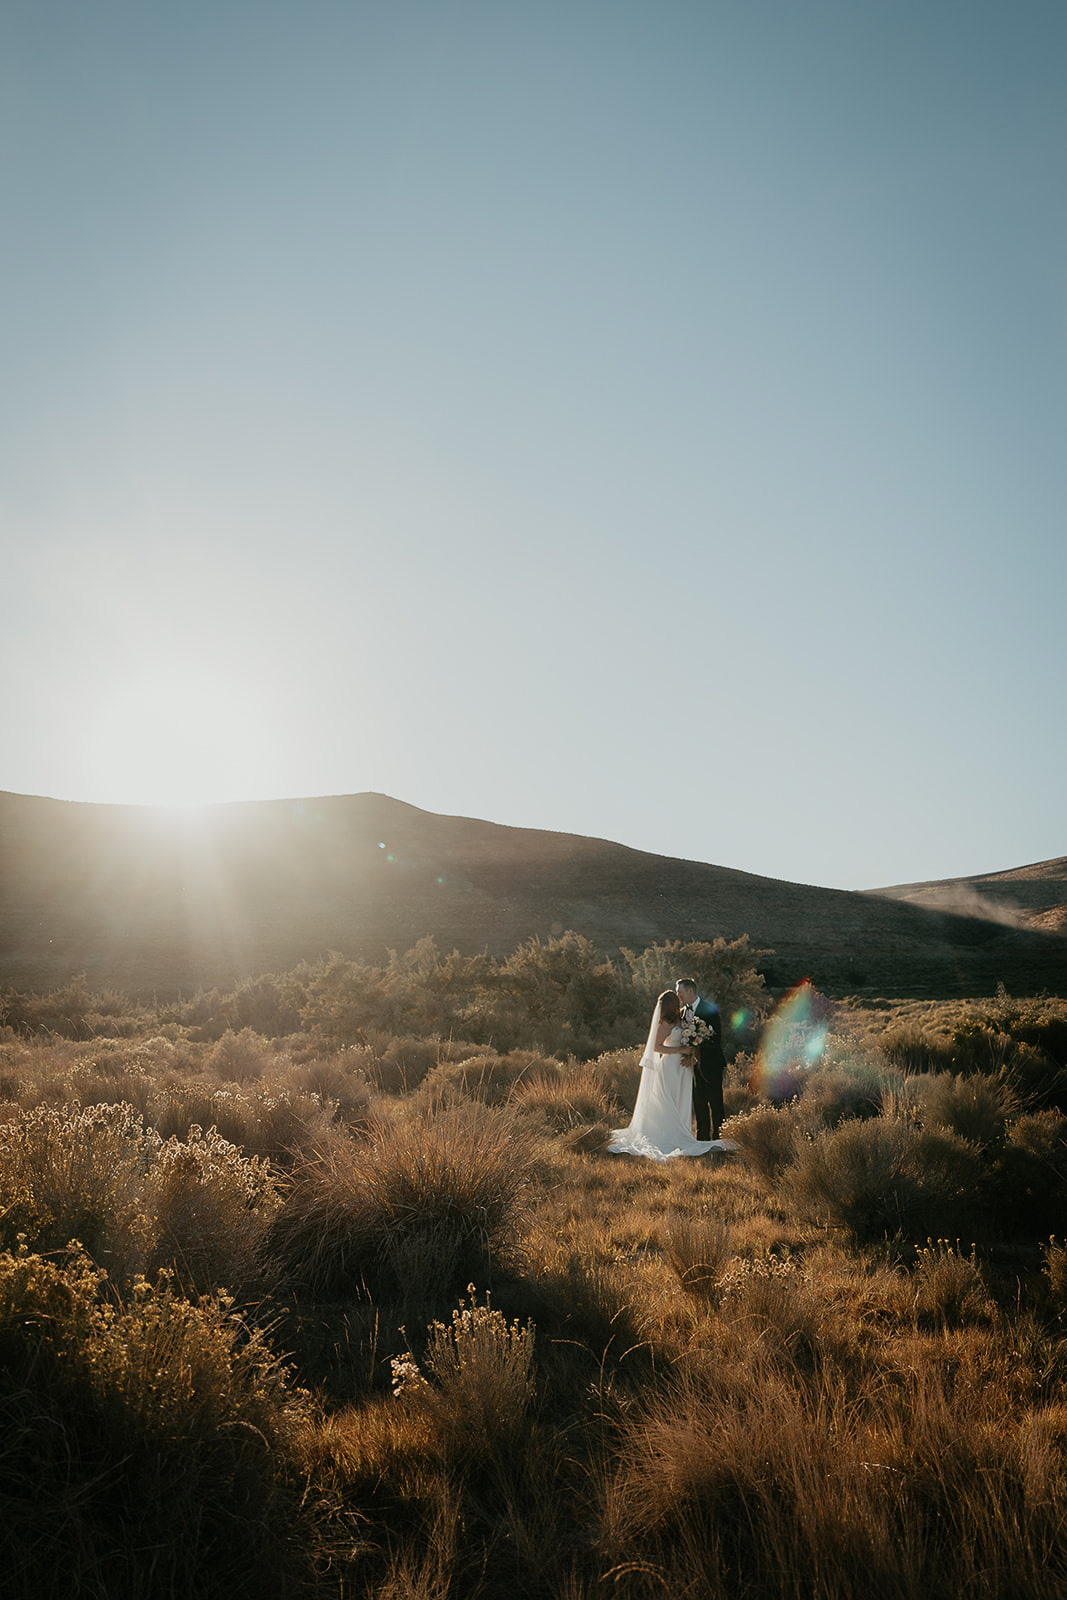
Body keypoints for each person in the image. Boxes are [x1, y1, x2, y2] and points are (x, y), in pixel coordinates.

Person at [608, 990, 715, 1160]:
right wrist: (680, 1050)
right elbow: (656, 1047)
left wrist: (693, 1054)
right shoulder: (666, 1023)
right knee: (670, 1100)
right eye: (676, 999)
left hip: (684, 1068)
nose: (680, 1000)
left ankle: (681, 1132)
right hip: (670, 1067)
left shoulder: (684, 1020)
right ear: (672, 1003)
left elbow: (691, 1040)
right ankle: (670, 1135)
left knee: (681, 1099)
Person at [675, 977, 728, 1143]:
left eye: (680, 992)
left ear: (690, 990)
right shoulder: (682, 1012)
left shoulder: (709, 1009)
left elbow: (716, 1039)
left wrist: (698, 1050)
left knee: (716, 1104)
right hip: (693, 1069)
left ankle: (719, 1141)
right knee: (699, 1105)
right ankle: (702, 1141)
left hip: (712, 1065)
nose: (678, 995)